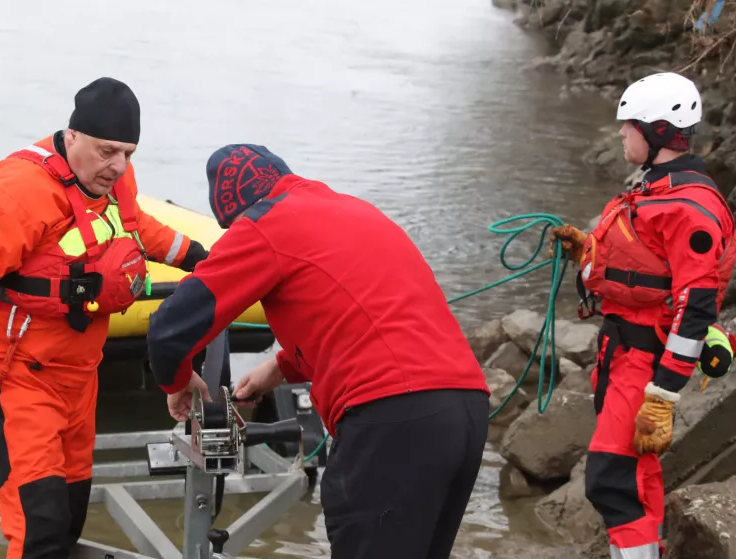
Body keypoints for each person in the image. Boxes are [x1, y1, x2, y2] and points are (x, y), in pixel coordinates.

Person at [0, 77, 210, 559]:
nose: (118, 165)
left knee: (69, 517)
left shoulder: (114, 178)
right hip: (18, 375)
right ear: (72, 137)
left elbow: (136, 229)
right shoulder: (19, 194)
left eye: (128, 153)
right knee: (39, 529)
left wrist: (199, 258)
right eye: (107, 150)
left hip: (79, 375)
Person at [146, 144, 491, 559]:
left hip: (392, 420)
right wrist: (278, 368)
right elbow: (362, 315)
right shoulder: (352, 210)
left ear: (236, 214)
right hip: (466, 412)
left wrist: (178, 380)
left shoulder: (261, 224)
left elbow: (169, 330)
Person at [551, 71, 736, 559]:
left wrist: (663, 394)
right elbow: (643, 265)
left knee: (612, 480)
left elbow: (695, 308)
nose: (619, 133)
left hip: (644, 361)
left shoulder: (690, 207)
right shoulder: (655, 188)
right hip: (619, 353)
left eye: (627, 124)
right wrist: (585, 254)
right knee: (634, 476)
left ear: (656, 131)